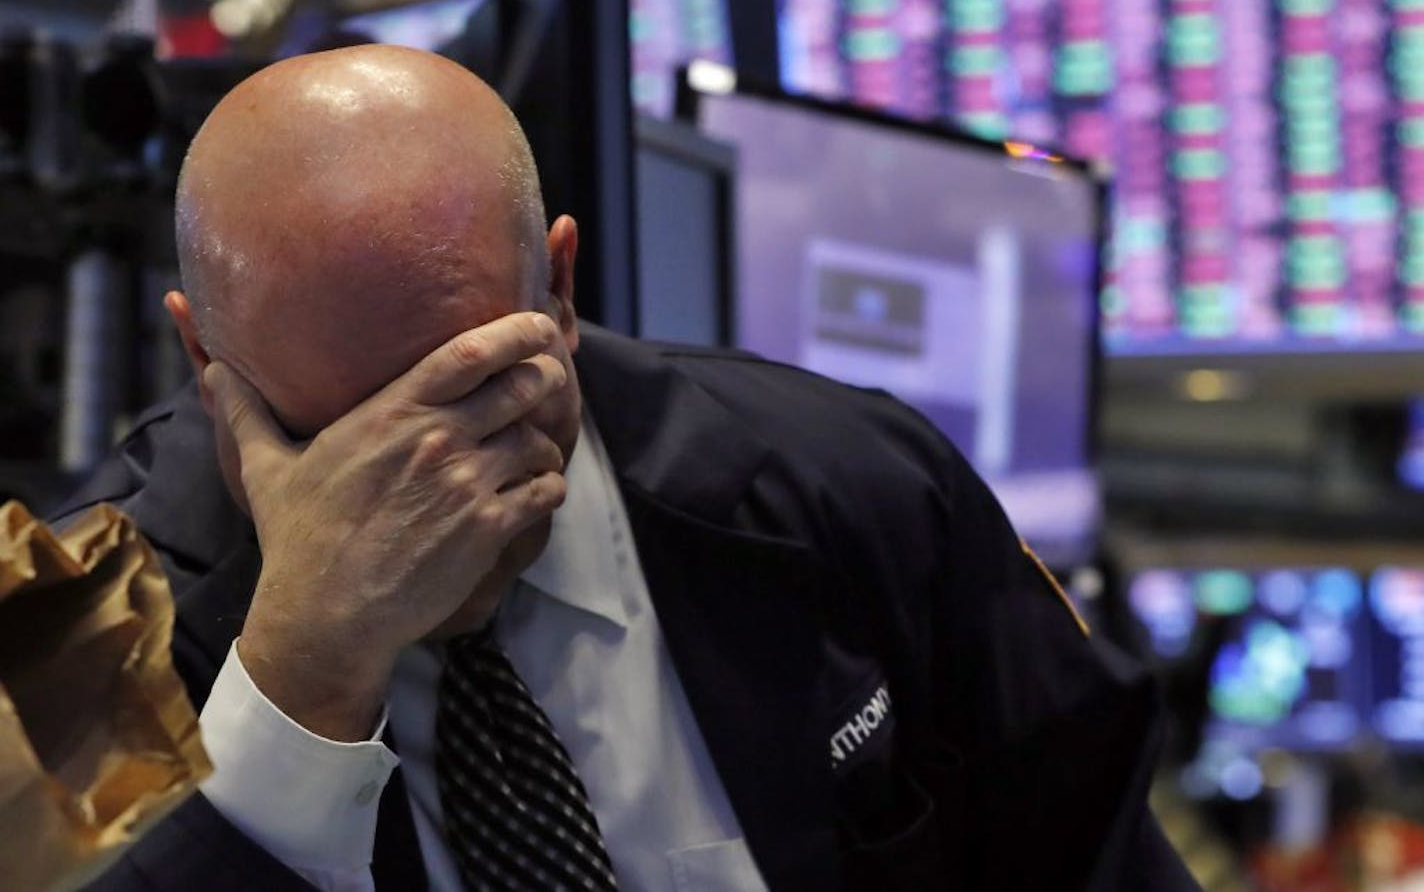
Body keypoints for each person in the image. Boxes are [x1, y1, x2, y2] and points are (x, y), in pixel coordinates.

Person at [57, 44, 1196, 891]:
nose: (429, 493)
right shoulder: (67, 631)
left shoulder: (853, 483)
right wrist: (299, 677)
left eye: (469, 394)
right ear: (205, 354)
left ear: (556, 284)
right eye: (340, 440)